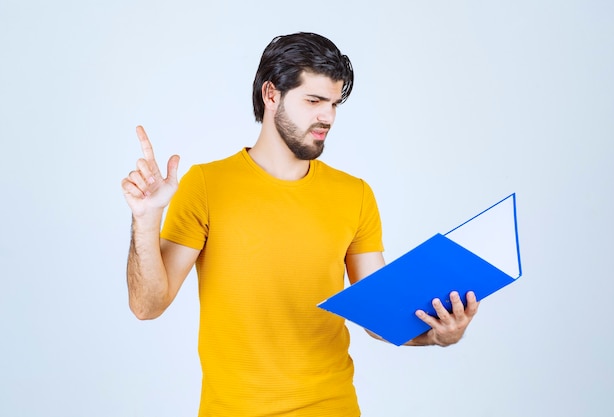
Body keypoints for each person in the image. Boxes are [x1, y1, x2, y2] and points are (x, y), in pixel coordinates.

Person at [121, 32, 479, 417]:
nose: (327, 116)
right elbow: (147, 306)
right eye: (314, 100)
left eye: (334, 103)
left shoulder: (354, 194)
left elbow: (379, 315)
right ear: (271, 95)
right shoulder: (206, 185)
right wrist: (145, 219)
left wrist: (435, 335)